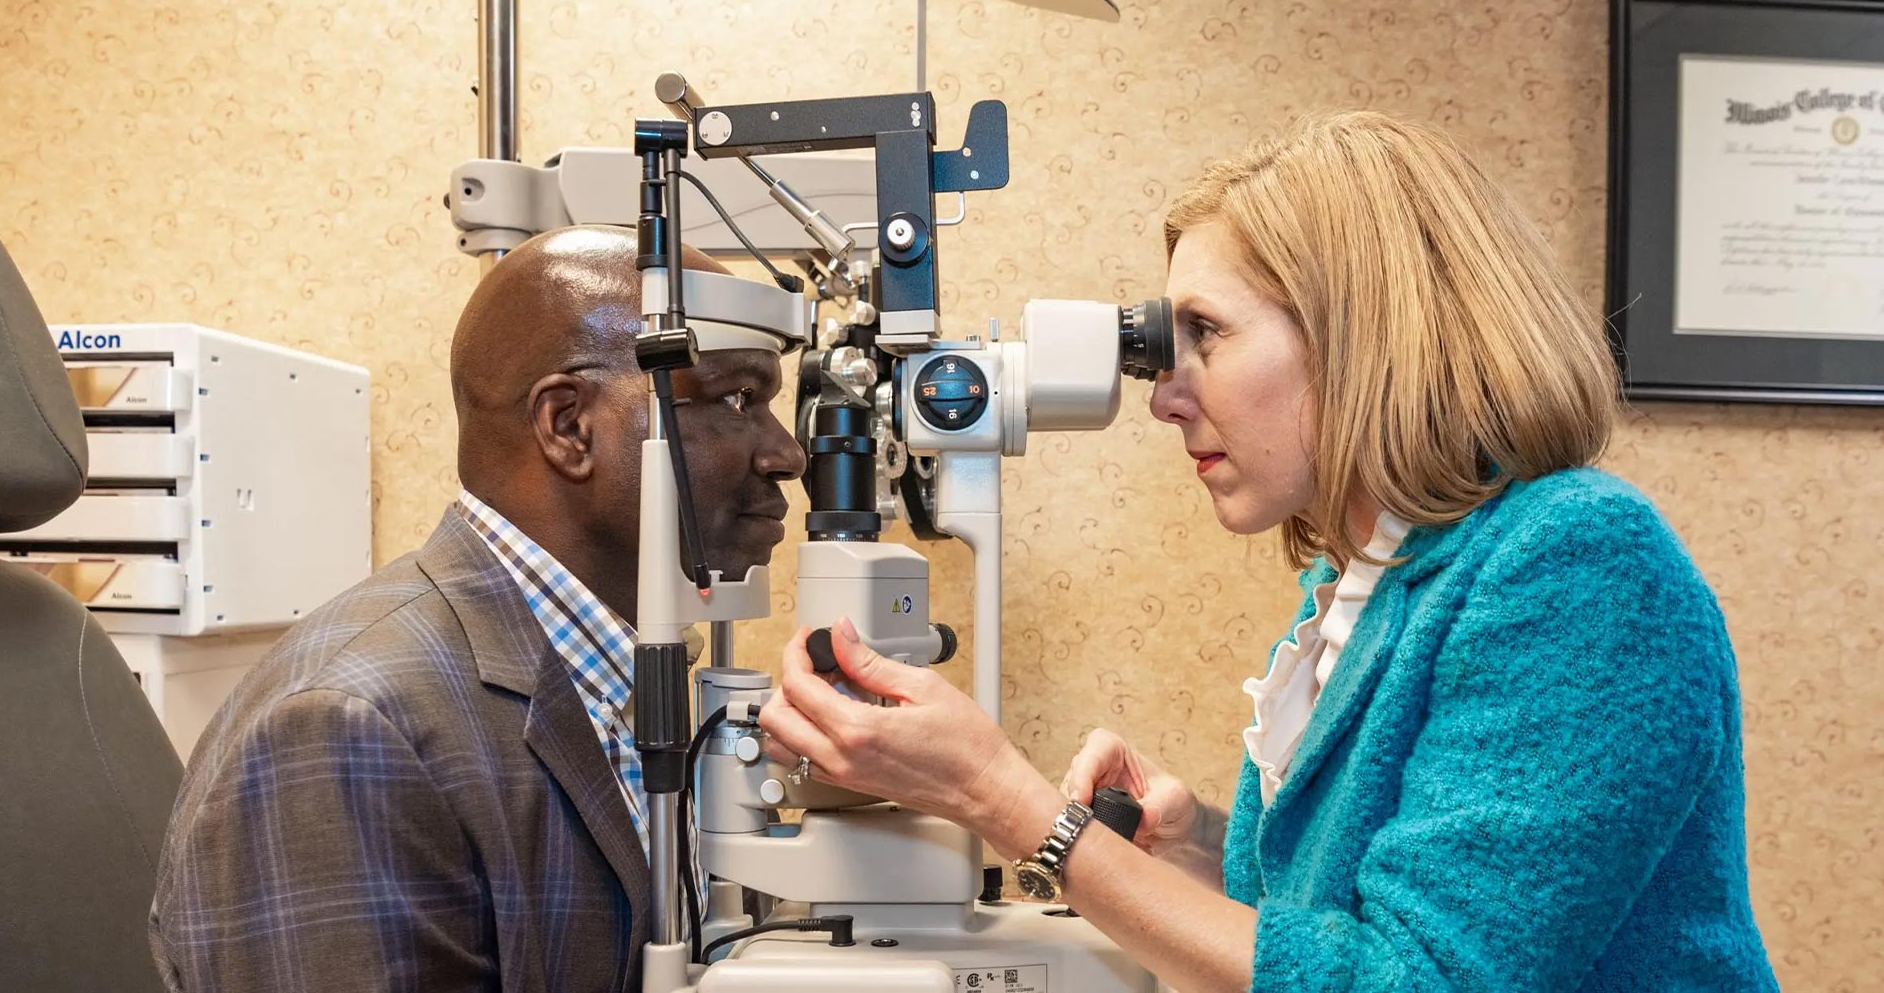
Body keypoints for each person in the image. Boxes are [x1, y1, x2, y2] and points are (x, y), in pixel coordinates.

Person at [757, 111, 1780, 991]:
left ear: (1365, 330)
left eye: (1205, 332)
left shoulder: (1578, 563)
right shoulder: (1362, 588)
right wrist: (1196, 847)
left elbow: (1414, 979)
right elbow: (1328, 937)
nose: (1163, 394)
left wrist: (1007, 802)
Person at [149, 225, 806, 993]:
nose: (785, 453)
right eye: (735, 400)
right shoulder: (352, 730)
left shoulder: (610, 671)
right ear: (568, 427)